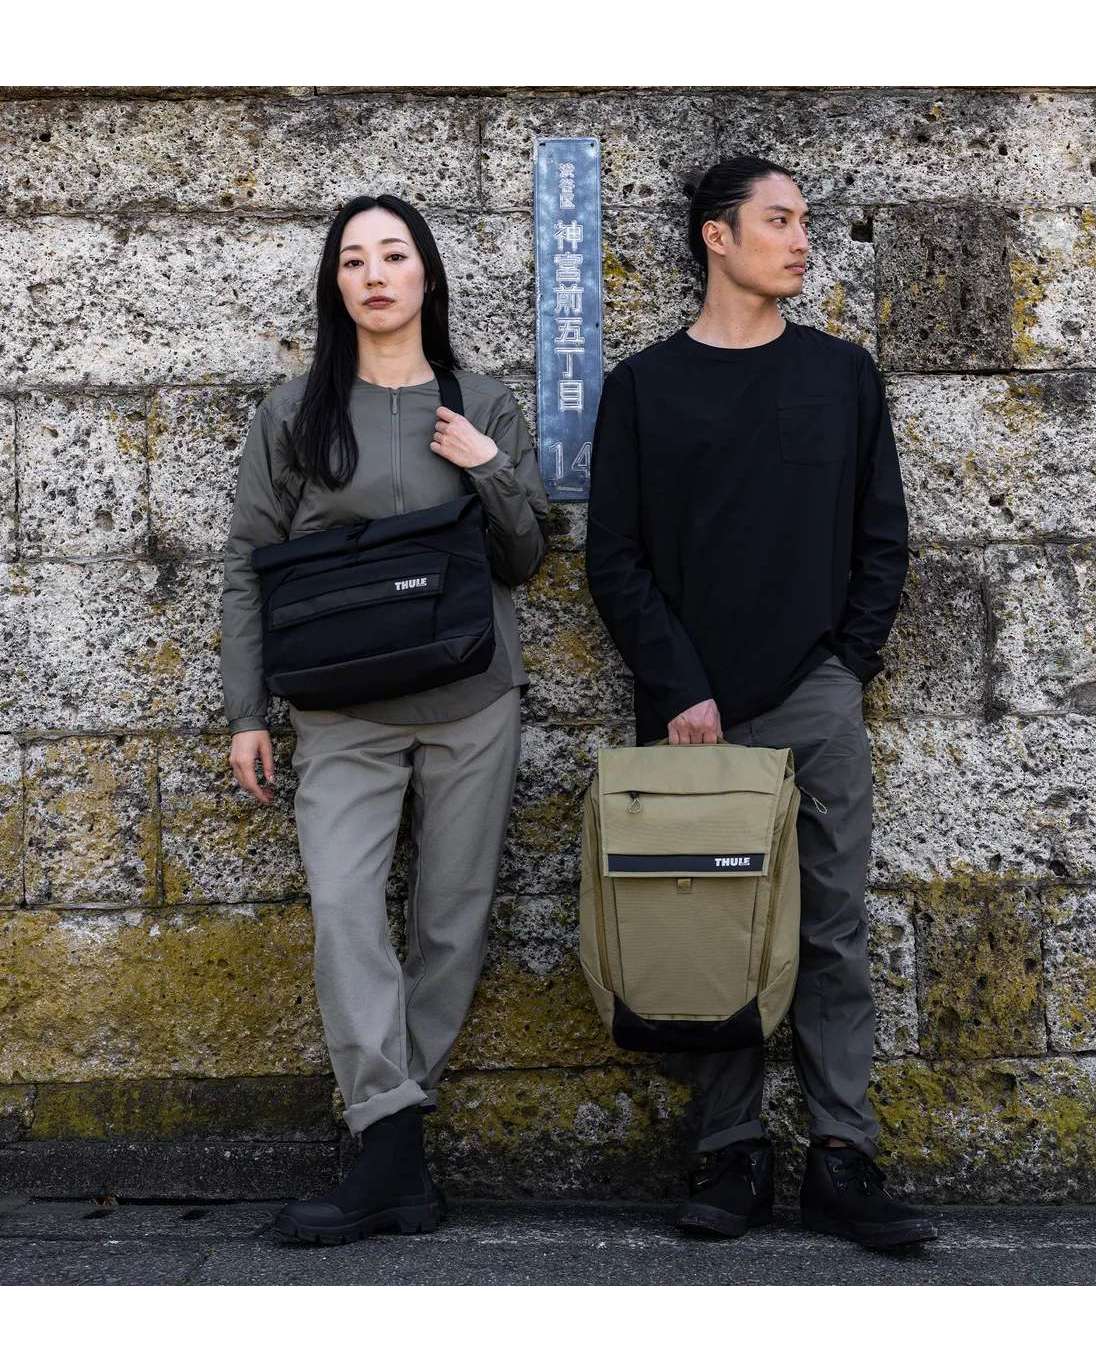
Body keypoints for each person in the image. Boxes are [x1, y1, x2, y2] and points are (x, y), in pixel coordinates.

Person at [584, 155, 936, 1248]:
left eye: (804, 222)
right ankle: (730, 1153)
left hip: (814, 696)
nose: (801, 240)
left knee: (831, 929)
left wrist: (844, 668)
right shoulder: (644, 387)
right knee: (708, 930)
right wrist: (679, 685)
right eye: (778, 220)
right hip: (691, 711)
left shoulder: (842, 376)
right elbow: (613, 556)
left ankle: (842, 1155)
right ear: (716, 236)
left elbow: (883, 538)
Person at [221, 193, 550, 1244]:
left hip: (471, 700)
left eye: (394, 255)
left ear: (427, 276)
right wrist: (246, 710)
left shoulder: (482, 401)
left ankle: (389, 1157)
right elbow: (247, 562)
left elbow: (527, 557)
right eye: (354, 259)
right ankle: (392, 1139)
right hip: (342, 711)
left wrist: (486, 467)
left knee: (452, 917)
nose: (375, 275)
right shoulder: (296, 411)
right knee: (345, 909)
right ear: (336, 284)